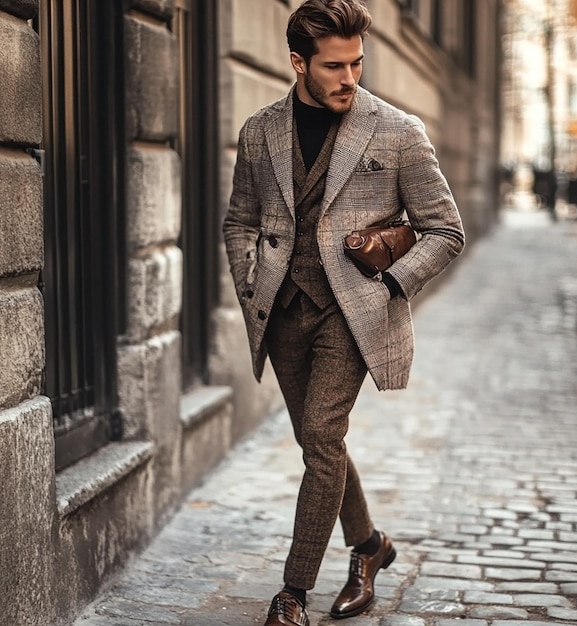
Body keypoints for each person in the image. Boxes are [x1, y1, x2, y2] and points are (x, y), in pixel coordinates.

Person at [222, 1, 464, 624]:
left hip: (352, 315)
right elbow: (240, 220)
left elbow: (444, 231)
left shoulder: (398, 130)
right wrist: (252, 287)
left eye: (358, 63)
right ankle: (370, 547)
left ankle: (292, 593)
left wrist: (389, 287)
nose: (350, 77)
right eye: (334, 66)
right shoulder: (260, 131)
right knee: (316, 443)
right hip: (282, 312)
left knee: (323, 438)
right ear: (299, 63)